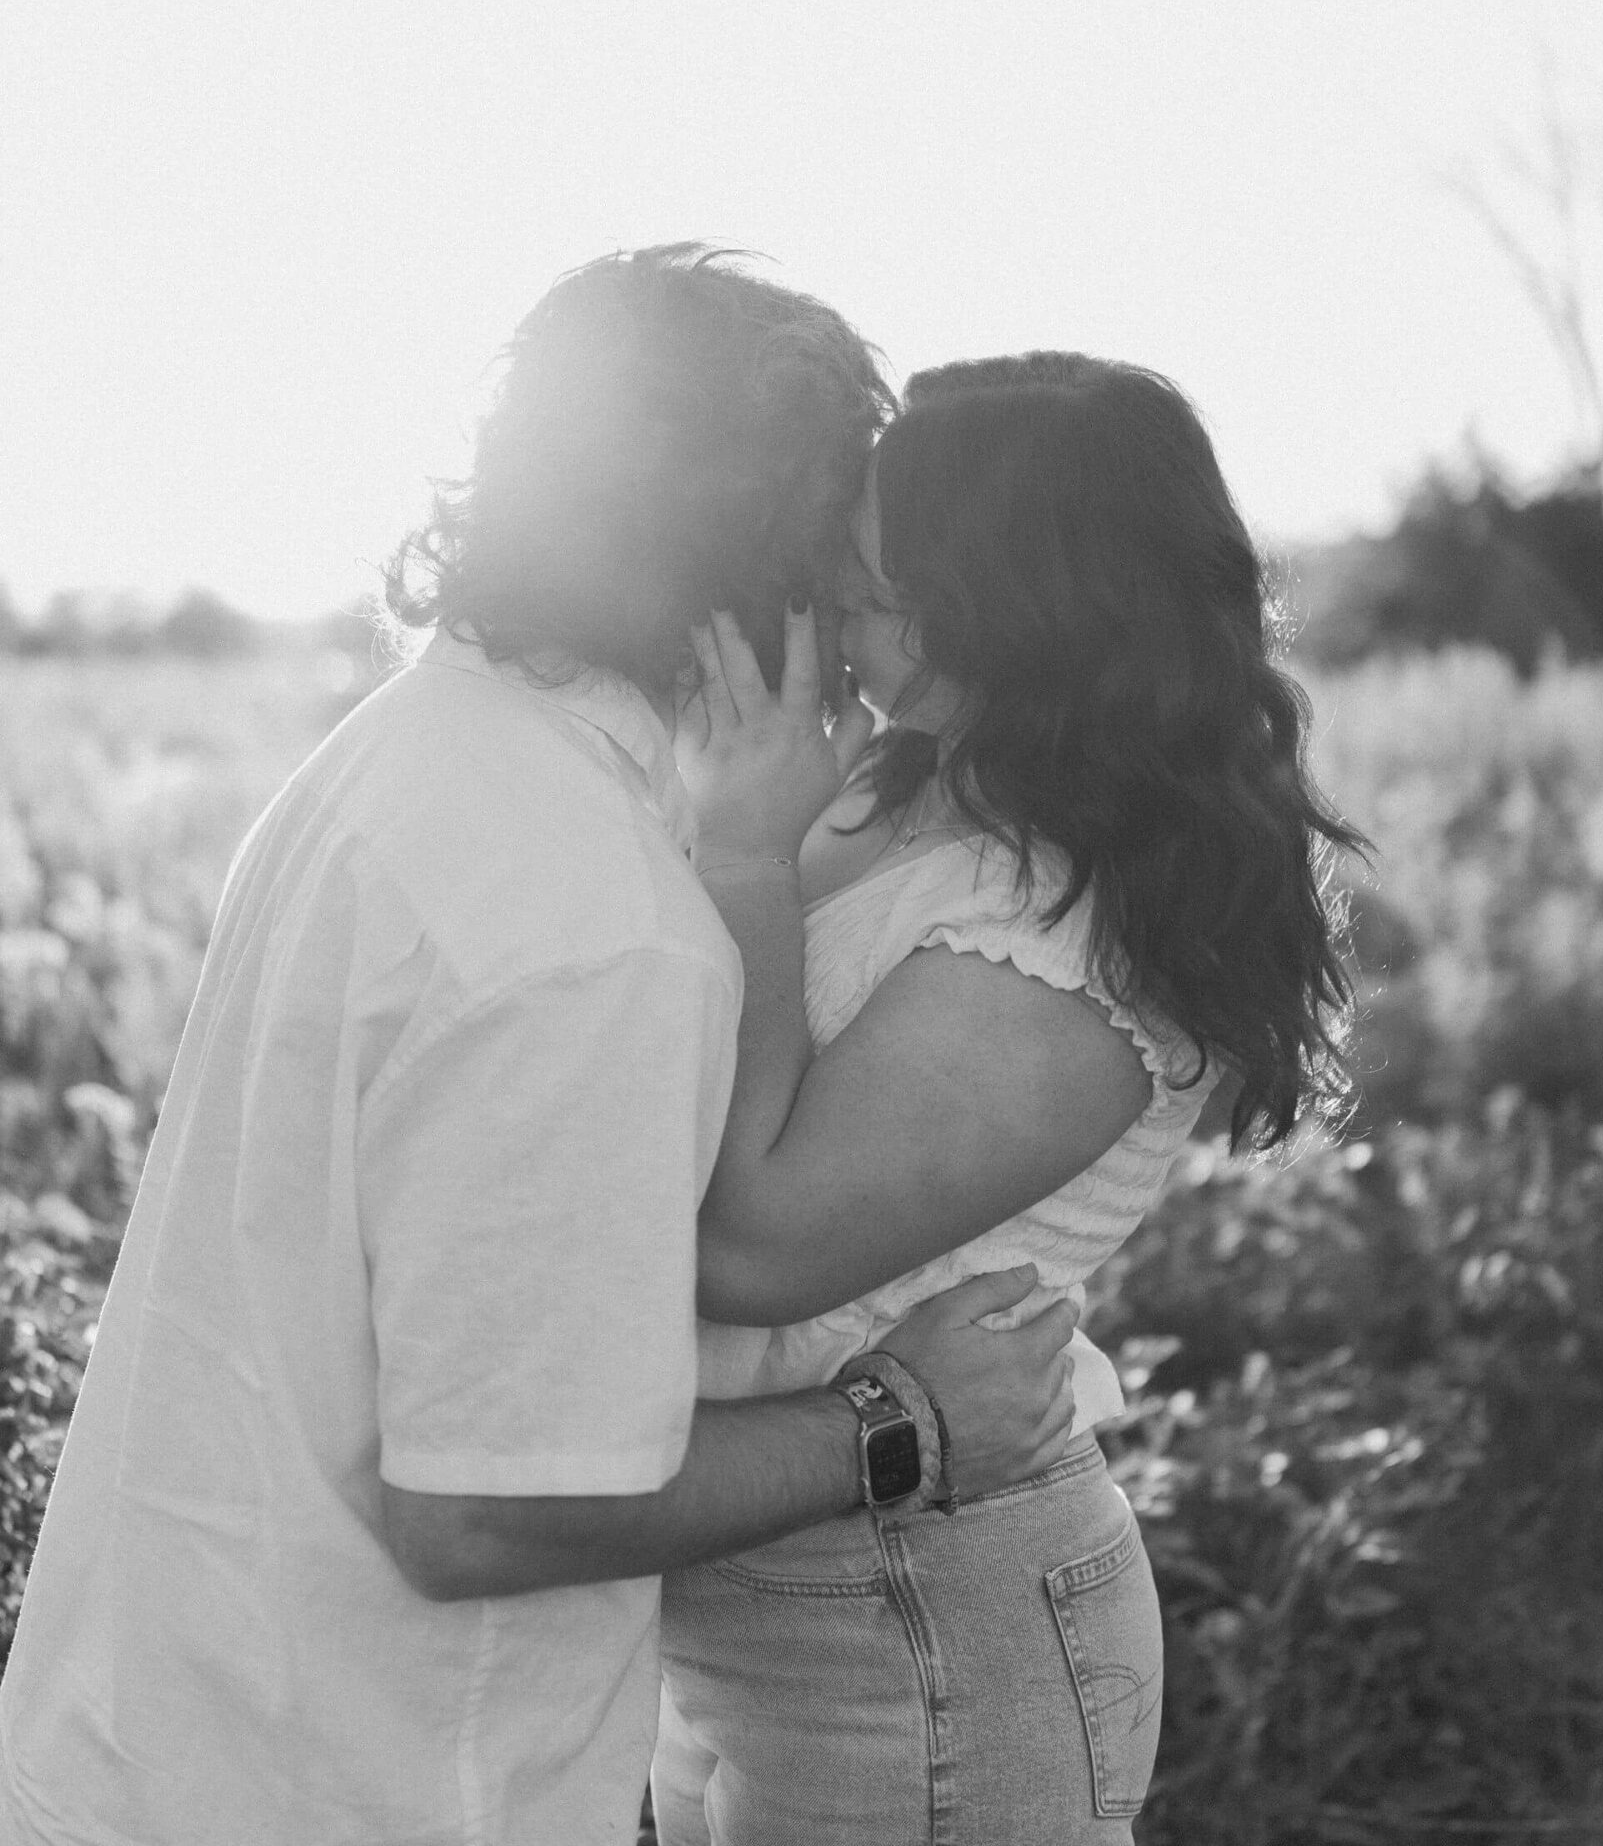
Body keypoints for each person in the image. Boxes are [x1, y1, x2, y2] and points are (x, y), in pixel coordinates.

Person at [0, 252, 1076, 1846]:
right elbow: (485, 1508)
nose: (863, 628)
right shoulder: (599, 931)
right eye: (844, 568)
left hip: (150, 1733)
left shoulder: (400, 754)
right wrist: (901, 1424)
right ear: (758, 577)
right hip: (362, 1786)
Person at [653, 352, 1367, 1844]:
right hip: (743, 1589)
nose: (834, 618)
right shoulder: (897, 778)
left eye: (868, 586)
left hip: (912, 1622)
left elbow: (753, 1246)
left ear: (1009, 603)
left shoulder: (1073, 934)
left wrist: (745, 858)